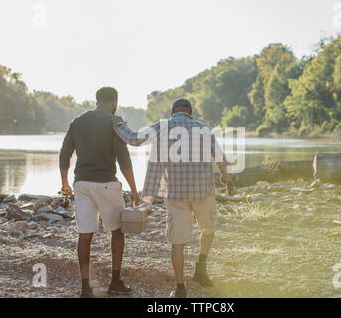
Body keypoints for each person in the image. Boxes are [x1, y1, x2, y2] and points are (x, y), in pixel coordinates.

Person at [111, 98, 234, 298]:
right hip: (203, 191)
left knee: (178, 242)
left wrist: (117, 123)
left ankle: (180, 288)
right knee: (208, 228)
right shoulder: (204, 129)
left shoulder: (163, 126)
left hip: (176, 195)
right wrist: (227, 179)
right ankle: (201, 267)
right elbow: (220, 158)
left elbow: (134, 139)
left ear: (173, 112)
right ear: (190, 113)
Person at [59, 87, 140, 298]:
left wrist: (65, 183)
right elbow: (124, 159)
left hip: (82, 184)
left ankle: (85, 288)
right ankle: (115, 282)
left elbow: (64, 153)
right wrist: (133, 189)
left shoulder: (77, 121)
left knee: (84, 235)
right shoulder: (114, 121)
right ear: (113, 101)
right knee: (117, 231)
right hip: (106, 184)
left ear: (97, 100)